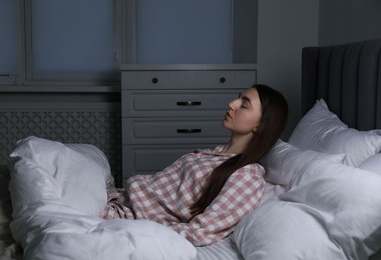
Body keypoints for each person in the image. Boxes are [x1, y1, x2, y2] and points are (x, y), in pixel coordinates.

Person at [102, 84, 288, 247]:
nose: (232, 104)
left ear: (260, 125)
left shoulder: (247, 175)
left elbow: (201, 230)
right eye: (238, 98)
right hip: (115, 199)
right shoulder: (214, 152)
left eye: (244, 104)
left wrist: (139, 232)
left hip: (125, 217)